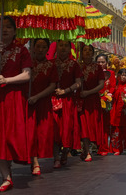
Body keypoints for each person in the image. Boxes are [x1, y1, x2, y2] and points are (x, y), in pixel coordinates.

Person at [0, 16, 32, 192]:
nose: (4, 30)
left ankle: (8, 167)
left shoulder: (22, 51)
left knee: (11, 137)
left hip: (13, 100)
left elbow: (27, 75)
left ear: (14, 31)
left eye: (8, 27)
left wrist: (7, 79)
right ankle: (6, 177)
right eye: (0, 27)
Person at [28, 38, 58, 175]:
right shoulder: (27, 64)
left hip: (43, 103)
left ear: (47, 49)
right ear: (33, 47)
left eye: (44, 47)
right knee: (30, 132)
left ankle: (36, 158)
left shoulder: (51, 66)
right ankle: (34, 162)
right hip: (27, 102)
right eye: (38, 46)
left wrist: (37, 97)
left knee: (42, 133)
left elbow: (52, 86)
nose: (40, 49)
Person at [52, 40, 82, 168]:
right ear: (56, 47)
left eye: (66, 46)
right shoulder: (51, 64)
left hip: (68, 101)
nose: (63, 48)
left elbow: (78, 83)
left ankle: (65, 153)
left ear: (70, 48)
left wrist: (66, 90)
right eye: (61, 45)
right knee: (54, 129)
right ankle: (56, 157)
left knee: (68, 129)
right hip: (52, 99)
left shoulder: (74, 64)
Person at [79, 45, 105, 162]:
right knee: (83, 125)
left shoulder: (97, 68)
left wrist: (89, 92)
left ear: (93, 53)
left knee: (92, 125)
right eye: (85, 50)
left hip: (93, 100)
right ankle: (87, 150)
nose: (87, 52)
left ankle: (87, 149)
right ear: (81, 53)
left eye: (90, 50)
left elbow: (101, 84)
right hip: (80, 100)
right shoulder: (78, 66)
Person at [96, 54, 116, 156]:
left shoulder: (111, 73)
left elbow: (112, 87)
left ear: (106, 63)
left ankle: (105, 147)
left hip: (106, 101)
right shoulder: (94, 73)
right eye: (98, 62)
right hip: (95, 100)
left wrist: (107, 96)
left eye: (102, 62)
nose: (100, 64)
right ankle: (97, 146)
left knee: (105, 125)